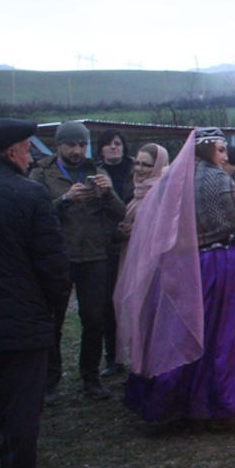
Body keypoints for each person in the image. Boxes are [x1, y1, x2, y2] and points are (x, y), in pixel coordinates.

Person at [117, 129, 235, 425]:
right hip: (218, 262)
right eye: (221, 150)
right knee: (220, 332)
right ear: (207, 150)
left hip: (181, 262)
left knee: (181, 330)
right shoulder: (218, 180)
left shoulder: (172, 178)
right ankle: (215, 402)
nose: (225, 156)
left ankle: (169, 399)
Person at [0, 119, 71, 468]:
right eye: (25, 148)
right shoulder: (31, 195)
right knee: (22, 403)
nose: (29, 154)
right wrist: (54, 310)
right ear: (11, 153)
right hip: (21, 321)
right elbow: (53, 265)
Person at [29, 121, 126, 401]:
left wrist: (107, 193)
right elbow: (34, 214)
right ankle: (50, 379)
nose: (77, 150)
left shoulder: (96, 171)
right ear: (58, 145)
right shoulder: (41, 173)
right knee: (53, 321)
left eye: (82, 145)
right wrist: (64, 199)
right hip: (58, 257)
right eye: (71, 144)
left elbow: (120, 213)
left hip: (94, 256)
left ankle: (91, 378)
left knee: (94, 320)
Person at [96, 130, 134, 379]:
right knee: (109, 302)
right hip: (108, 245)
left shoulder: (136, 169)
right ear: (100, 149)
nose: (114, 148)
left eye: (118, 143)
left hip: (135, 240)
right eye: (108, 144)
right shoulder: (96, 173)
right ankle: (113, 357)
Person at [116, 144, 170, 265]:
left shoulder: (164, 192)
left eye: (146, 165)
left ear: (158, 166)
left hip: (153, 261)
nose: (139, 169)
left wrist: (136, 229)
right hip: (132, 256)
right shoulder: (135, 190)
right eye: (137, 163)